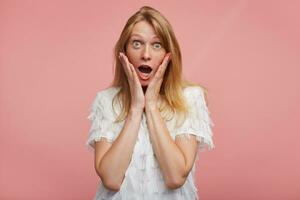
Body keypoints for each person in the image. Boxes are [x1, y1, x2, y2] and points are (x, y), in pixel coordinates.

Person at [86, 6, 215, 200]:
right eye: (137, 44)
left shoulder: (190, 98)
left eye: (156, 45)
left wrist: (152, 106)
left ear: (168, 54)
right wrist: (136, 108)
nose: (146, 55)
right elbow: (111, 180)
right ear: (124, 52)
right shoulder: (106, 101)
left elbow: (175, 177)